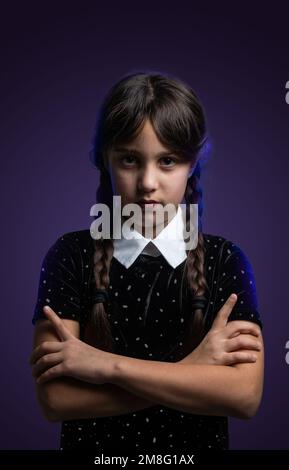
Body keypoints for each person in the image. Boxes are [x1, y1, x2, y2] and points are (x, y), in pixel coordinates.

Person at [30, 71, 264, 453]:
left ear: (193, 166)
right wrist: (194, 372)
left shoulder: (225, 260)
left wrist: (106, 366)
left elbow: (244, 396)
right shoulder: (70, 256)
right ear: (104, 160)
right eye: (129, 160)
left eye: (168, 160)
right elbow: (56, 401)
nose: (147, 182)